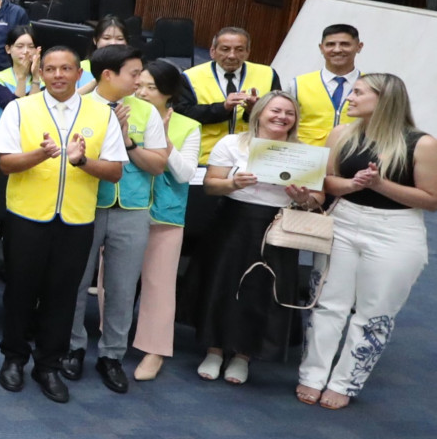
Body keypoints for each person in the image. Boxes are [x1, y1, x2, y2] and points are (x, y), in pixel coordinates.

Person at [0, 45, 127, 403]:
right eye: (50, 69)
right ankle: (14, 358)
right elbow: (4, 163)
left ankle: (48, 365)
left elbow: (114, 172)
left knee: (63, 297)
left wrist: (82, 162)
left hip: (77, 221)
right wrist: (39, 155)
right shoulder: (20, 109)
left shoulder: (102, 114)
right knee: (20, 290)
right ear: (40, 73)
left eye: (66, 69)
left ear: (79, 74)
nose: (58, 75)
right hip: (26, 217)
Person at [300, 74, 436, 407]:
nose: (350, 97)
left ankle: (345, 382)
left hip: (396, 231)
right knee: (327, 304)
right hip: (343, 221)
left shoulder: (422, 143)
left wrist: (379, 185)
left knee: (374, 313)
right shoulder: (341, 134)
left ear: (384, 99)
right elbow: (327, 181)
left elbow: (432, 198)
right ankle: (312, 375)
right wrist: (354, 185)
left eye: (359, 92)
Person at [194, 89, 325, 385]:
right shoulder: (232, 143)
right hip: (233, 220)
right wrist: (232, 183)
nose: (282, 117)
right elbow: (210, 186)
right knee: (222, 283)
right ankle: (214, 350)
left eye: (289, 113)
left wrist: (304, 197)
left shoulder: (303, 152)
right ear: (260, 113)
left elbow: (317, 200)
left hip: (277, 225)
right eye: (275, 111)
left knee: (262, 290)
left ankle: (243, 355)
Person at [61, 45, 169, 392]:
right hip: (85, 205)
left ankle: (111, 355)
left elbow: (158, 165)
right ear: (108, 75)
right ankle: (73, 347)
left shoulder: (147, 112)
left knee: (122, 288)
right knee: (75, 280)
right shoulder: (79, 108)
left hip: (133, 209)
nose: (140, 80)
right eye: (134, 73)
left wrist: (128, 142)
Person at [130, 60, 200, 381]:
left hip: (166, 214)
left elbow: (185, 173)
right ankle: (112, 339)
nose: (142, 93)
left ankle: (154, 350)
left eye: (151, 88)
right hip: (125, 207)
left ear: (169, 93)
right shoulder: (124, 115)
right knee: (111, 280)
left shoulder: (188, 126)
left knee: (159, 285)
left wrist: (164, 138)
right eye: (138, 84)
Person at [178, 26, 280, 155]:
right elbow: (182, 114)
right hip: (204, 156)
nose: (232, 55)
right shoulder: (190, 77)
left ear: (248, 52)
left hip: (251, 155)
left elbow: (279, 116)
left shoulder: (268, 74)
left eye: (239, 50)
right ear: (212, 51)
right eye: (225, 49)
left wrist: (253, 111)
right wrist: (223, 108)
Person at [293, 23, 364, 147]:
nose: (337, 50)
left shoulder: (371, 86)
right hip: (305, 159)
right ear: (321, 48)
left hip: (352, 159)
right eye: (330, 44)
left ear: (359, 47)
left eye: (345, 44)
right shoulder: (298, 84)